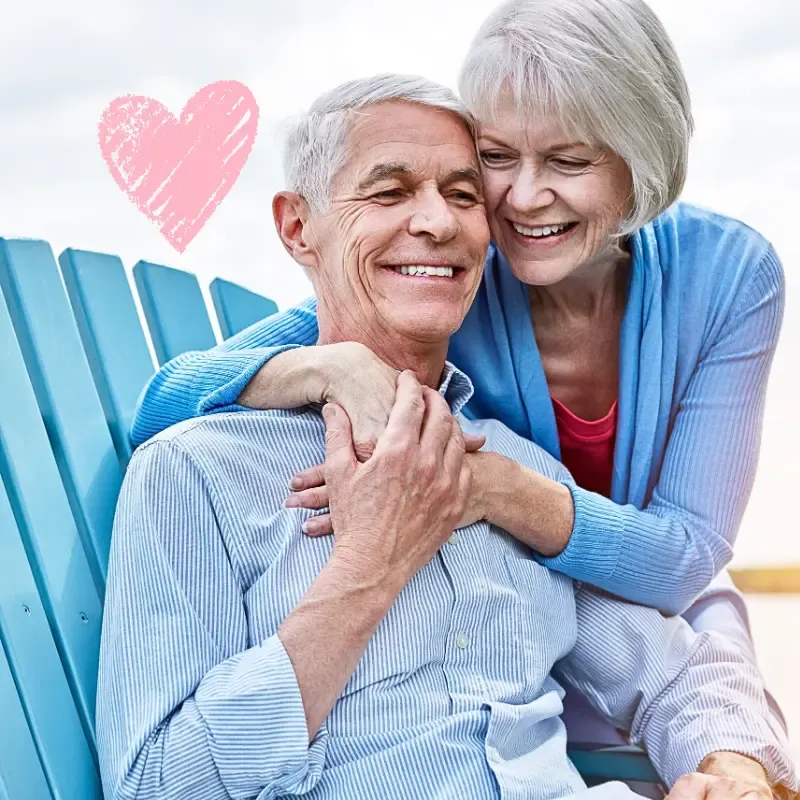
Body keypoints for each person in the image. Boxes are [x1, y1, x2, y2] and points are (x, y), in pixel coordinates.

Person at [97, 76, 796, 800]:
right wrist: (371, 565)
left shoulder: (512, 473)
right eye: (389, 191)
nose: (437, 222)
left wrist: (731, 764)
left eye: (463, 196)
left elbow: (673, 669)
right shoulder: (196, 474)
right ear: (298, 228)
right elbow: (158, 785)